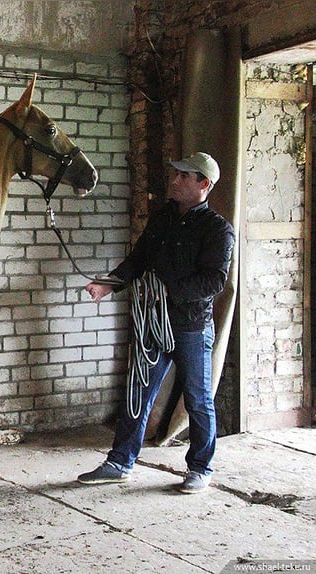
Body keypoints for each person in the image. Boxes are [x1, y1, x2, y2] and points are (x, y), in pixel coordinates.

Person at [77, 152, 235, 494]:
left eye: (183, 177)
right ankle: (120, 462)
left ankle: (200, 468)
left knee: (197, 398)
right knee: (139, 393)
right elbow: (139, 259)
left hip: (191, 326)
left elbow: (214, 281)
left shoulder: (218, 230)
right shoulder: (163, 217)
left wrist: (166, 293)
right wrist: (109, 284)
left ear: (203, 184)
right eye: (175, 174)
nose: (175, 181)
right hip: (154, 324)